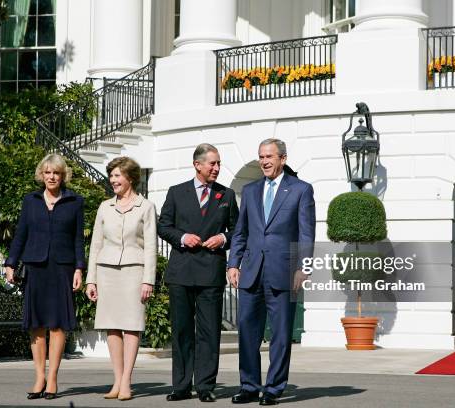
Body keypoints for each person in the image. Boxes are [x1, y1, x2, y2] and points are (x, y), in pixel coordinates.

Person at [227, 138, 315, 405]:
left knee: (280, 335)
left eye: (269, 156)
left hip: (284, 273)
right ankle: (249, 386)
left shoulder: (301, 190)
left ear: (282, 159)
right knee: (247, 332)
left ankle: (274, 388)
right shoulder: (250, 190)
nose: (264, 161)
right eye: (261, 156)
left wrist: (304, 268)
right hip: (251, 272)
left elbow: (306, 234)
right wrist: (233, 263)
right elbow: (241, 231)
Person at [158, 143, 239, 402]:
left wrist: (222, 239)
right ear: (197, 165)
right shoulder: (176, 192)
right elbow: (163, 226)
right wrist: (182, 237)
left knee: (209, 331)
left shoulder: (226, 195)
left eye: (218, 163)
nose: (216, 168)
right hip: (181, 271)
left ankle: (205, 386)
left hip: (211, 272)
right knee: (181, 330)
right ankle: (181, 386)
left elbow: (238, 230)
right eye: (212, 164)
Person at [4, 154, 85, 400]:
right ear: (42, 174)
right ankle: (39, 376)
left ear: (63, 176)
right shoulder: (31, 200)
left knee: (58, 324)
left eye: (56, 173)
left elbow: (78, 239)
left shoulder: (75, 201)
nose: (51, 177)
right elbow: (21, 234)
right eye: (47, 172)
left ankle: (53, 378)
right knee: (36, 324)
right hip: (36, 267)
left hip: (62, 268)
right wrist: (10, 263)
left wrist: (79, 268)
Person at [85, 157, 157, 401]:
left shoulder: (146, 207)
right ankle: (116, 380)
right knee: (111, 325)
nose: (113, 180)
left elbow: (150, 247)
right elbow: (96, 244)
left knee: (132, 325)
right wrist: (90, 280)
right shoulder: (104, 207)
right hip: (106, 271)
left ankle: (126, 381)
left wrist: (149, 280)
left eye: (117, 176)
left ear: (130, 178)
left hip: (134, 271)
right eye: (111, 175)